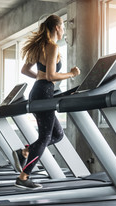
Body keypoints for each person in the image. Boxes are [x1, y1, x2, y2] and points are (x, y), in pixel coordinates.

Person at [13, 14, 80, 189]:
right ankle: (24, 177)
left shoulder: (39, 47)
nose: (63, 30)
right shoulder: (52, 47)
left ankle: (25, 151)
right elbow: (51, 75)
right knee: (45, 137)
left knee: (57, 135)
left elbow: (25, 70)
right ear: (57, 27)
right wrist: (71, 74)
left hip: (38, 91)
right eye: (63, 26)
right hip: (43, 92)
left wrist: (41, 78)